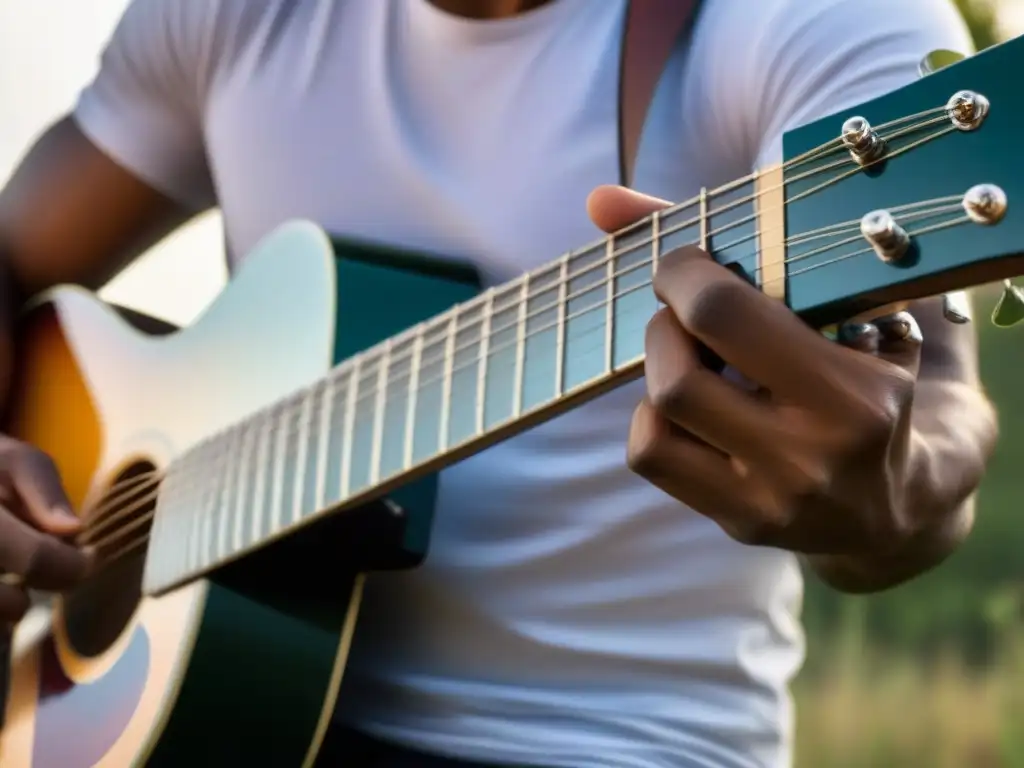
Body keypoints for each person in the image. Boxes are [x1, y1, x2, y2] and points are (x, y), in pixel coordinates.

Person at [0, 0, 998, 766]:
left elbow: (937, 412)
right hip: (234, 719)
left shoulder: (808, 20)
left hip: (609, 740)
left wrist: (892, 489)